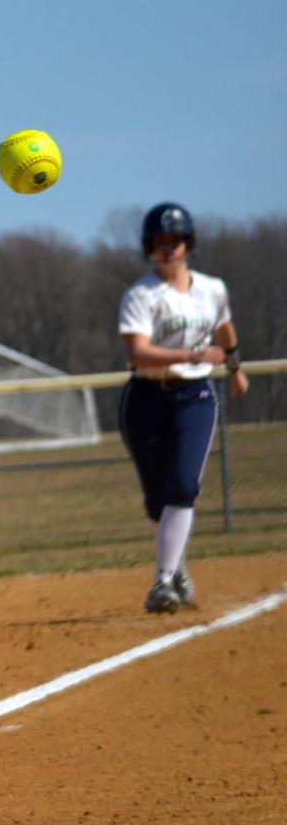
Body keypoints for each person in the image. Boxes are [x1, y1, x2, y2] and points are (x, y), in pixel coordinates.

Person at [117, 202, 249, 614]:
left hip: (194, 398)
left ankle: (161, 583)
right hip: (145, 398)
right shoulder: (141, 295)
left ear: (188, 243)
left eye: (175, 240)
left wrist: (235, 368)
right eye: (160, 241)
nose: (168, 248)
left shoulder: (212, 289)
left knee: (183, 485)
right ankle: (176, 569)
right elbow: (137, 353)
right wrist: (191, 355)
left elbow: (225, 328)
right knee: (157, 499)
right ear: (149, 248)